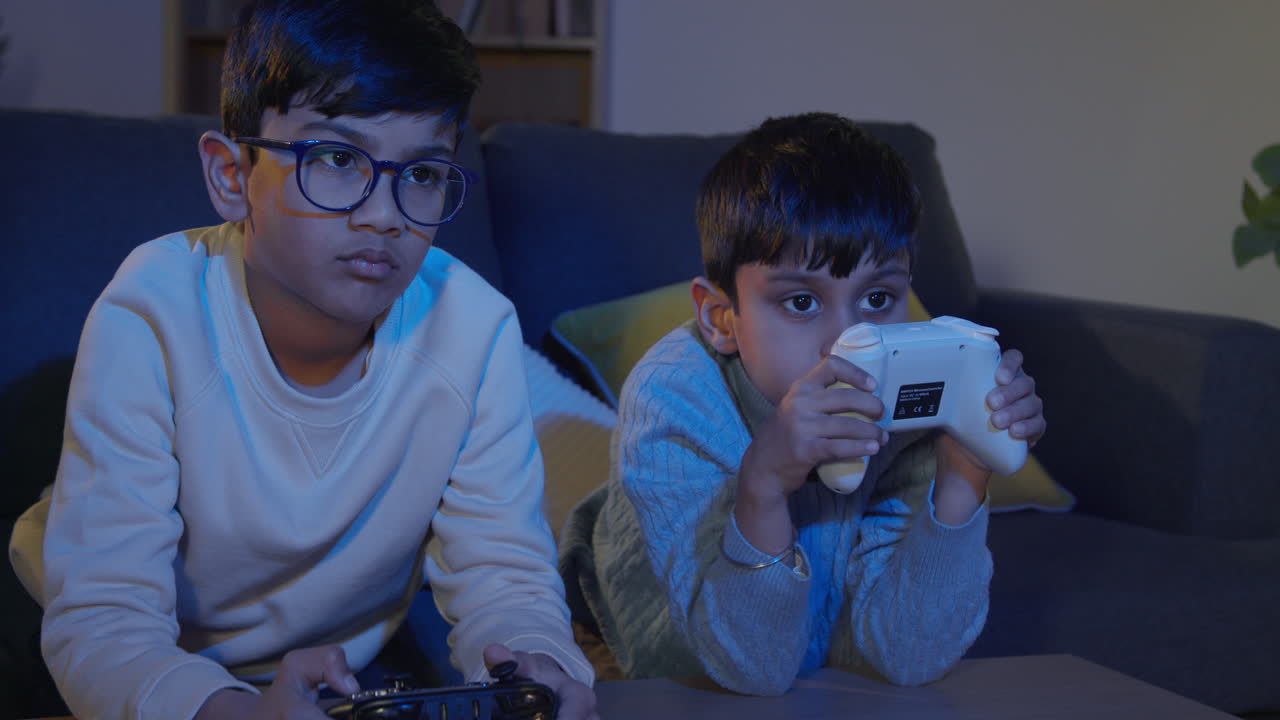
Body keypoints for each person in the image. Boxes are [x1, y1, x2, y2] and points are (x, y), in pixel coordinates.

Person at [6, 2, 597, 718]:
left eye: (422, 173)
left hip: (338, 666)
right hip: (104, 658)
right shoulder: (151, 311)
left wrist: (537, 663)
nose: (385, 215)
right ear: (232, 176)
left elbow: (505, 574)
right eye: (338, 160)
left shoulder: (474, 328)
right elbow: (104, 618)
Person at [560, 112, 1047, 696]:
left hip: (797, 658)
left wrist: (964, 473)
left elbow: (910, 657)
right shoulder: (674, 399)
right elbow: (749, 670)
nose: (847, 342)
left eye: (878, 298)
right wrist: (763, 487)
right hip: (639, 652)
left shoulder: (913, 397)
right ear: (721, 319)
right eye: (800, 302)